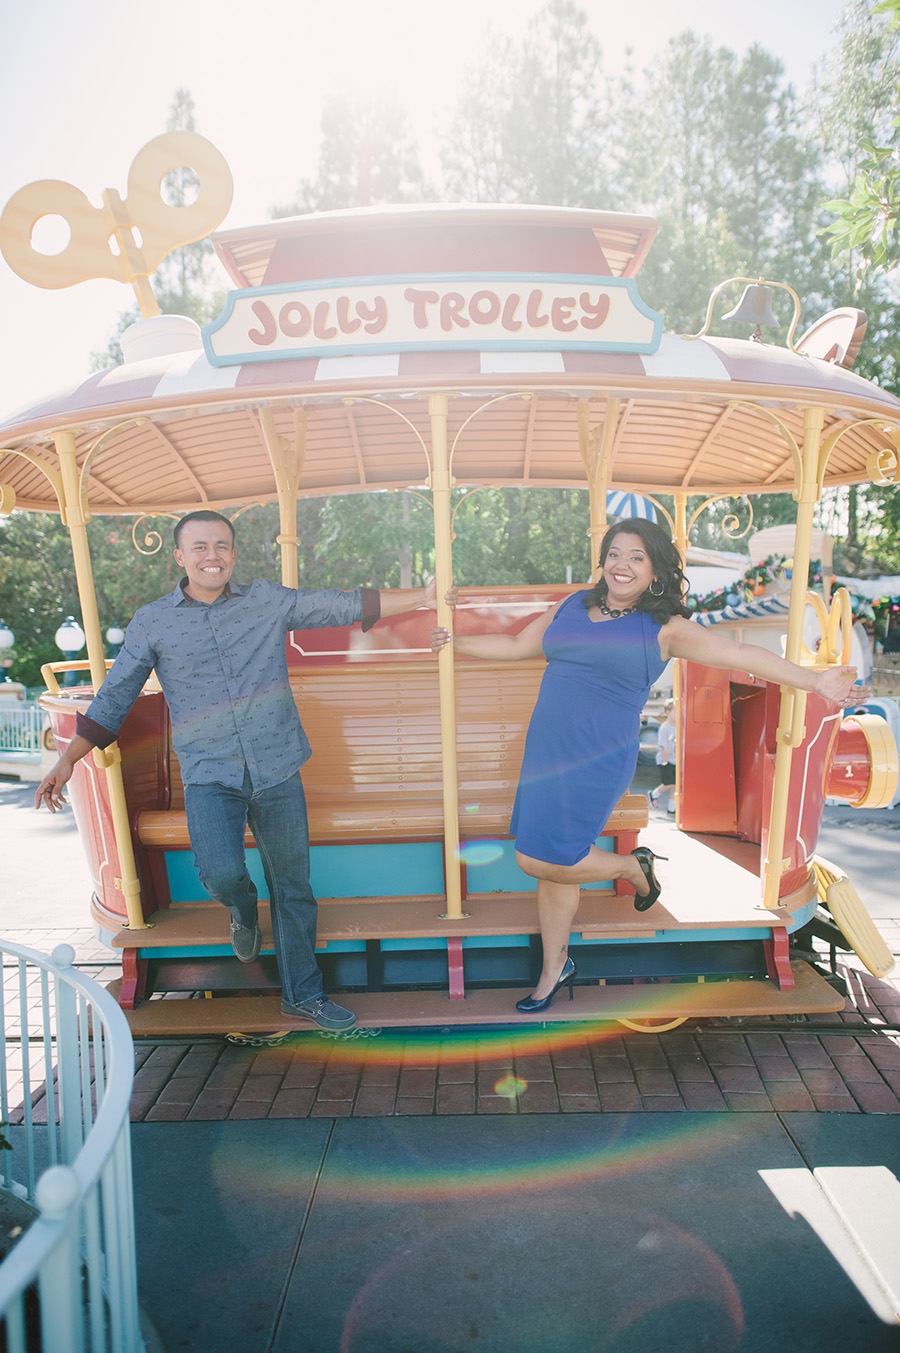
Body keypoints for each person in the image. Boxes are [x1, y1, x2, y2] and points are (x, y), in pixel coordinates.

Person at [430, 519, 867, 1015]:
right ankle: (555, 968)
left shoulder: (666, 628)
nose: (622, 565)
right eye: (615, 554)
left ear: (655, 570)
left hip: (596, 759)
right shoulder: (574, 604)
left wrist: (814, 682)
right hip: (545, 754)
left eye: (636, 557)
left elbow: (741, 653)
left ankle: (630, 867)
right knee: (551, 870)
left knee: (537, 858)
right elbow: (515, 646)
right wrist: (454, 642)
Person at [35, 510, 442, 1031]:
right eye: (200, 546)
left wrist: (422, 598)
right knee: (221, 873)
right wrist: (67, 759)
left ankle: (304, 996)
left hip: (277, 766)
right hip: (210, 774)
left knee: (293, 887)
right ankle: (243, 910)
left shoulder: (266, 601)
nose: (212, 555)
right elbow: (115, 696)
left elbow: (336, 604)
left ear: (234, 554)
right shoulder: (153, 620)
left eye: (222, 546)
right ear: (180, 557)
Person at [649, 698, 677, 813]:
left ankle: (671, 808)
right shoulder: (664, 728)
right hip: (665, 760)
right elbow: (664, 747)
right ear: (668, 713)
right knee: (670, 783)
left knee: (676, 785)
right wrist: (665, 762)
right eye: (676, 711)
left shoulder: (679, 726)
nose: (678, 714)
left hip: (675, 759)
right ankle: (654, 794)